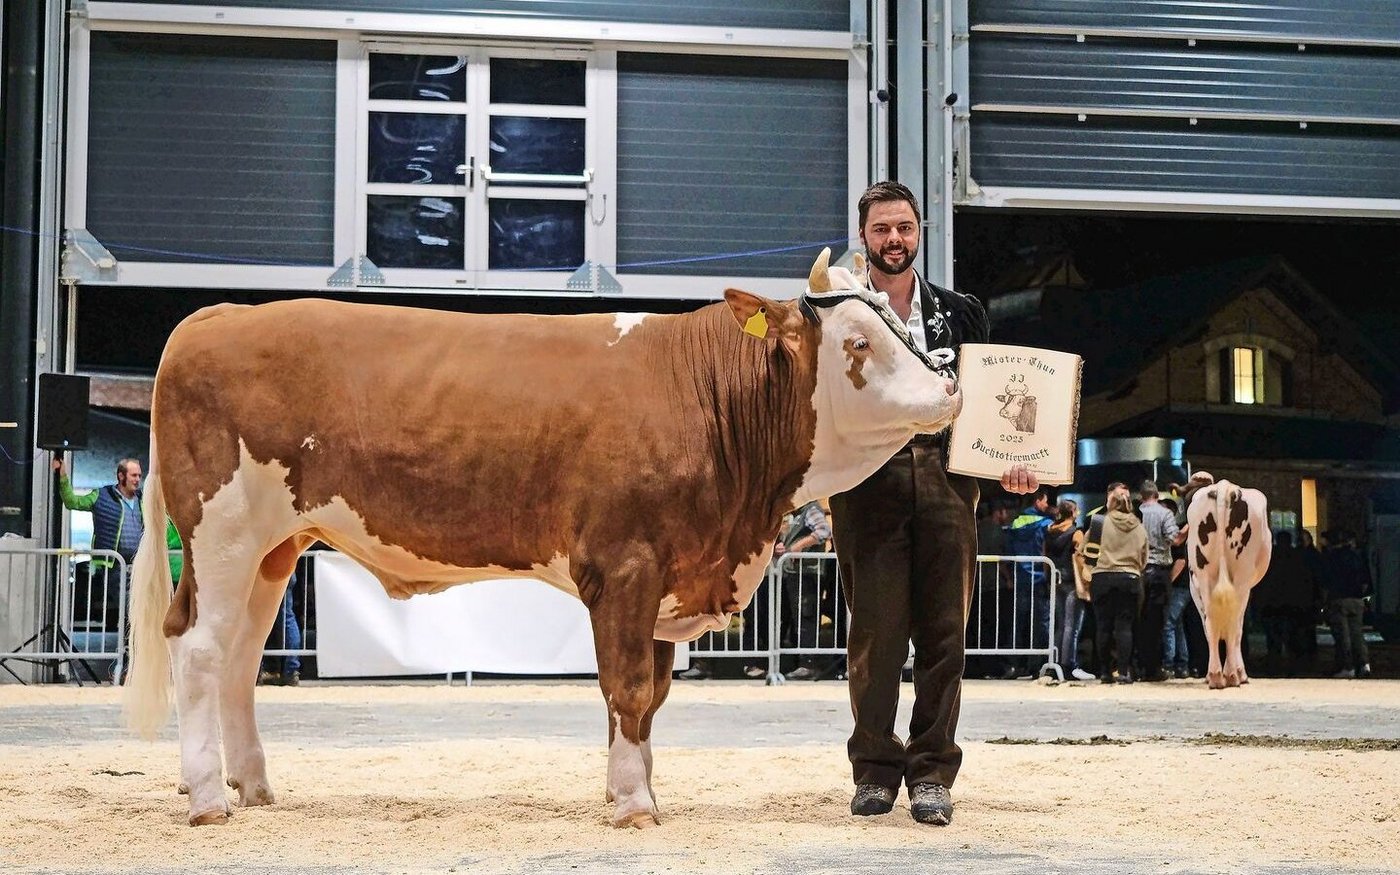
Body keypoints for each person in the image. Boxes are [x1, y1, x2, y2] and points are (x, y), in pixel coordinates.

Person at [829, 180, 1037, 827]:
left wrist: (1015, 459)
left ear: (921, 234)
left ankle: (931, 772)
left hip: (950, 482)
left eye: (905, 228)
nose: (895, 239)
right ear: (864, 236)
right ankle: (873, 769)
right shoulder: (843, 311)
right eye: (882, 228)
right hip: (868, 483)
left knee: (946, 637)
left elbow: (990, 400)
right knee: (876, 636)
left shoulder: (961, 310)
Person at [54, 456, 145, 629]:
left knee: (138, 609)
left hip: (140, 564)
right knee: (129, 609)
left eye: (139, 476)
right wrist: (63, 476)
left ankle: (130, 650)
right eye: (134, 475)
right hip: (115, 565)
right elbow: (72, 501)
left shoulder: (143, 500)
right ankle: (128, 650)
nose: (137, 480)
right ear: (121, 476)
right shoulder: (102, 495)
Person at [1085, 489, 1146, 684]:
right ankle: (1123, 671)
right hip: (1129, 578)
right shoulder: (1139, 526)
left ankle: (1104, 672)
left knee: (1103, 626)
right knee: (1125, 627)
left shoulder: (1098, 522)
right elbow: (1144, 557)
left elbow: (1087, 552)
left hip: (1102, 578)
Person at [1001, 489, 1055, 679]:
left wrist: (1009, 577)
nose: (1047, 505)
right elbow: (1045, 551)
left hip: (1020, 578)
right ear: (1037, 501)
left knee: (1017, 623)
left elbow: (1006, 552)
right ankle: (1038, 666)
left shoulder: (1015, 523)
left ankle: (1013, 665)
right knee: (1041, 623)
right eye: (1045, 501)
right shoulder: (1046, 524)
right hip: (1040, 578)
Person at [781, 499, 836, 681]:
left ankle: (808, 664)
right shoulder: (794, 515)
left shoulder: (810, 508)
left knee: (807, 617)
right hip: (796, 572)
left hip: (808, 572)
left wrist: (798, 546)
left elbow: (823, 531)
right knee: (798, 618)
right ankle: (802, 662)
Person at [1136, 480, 1179, 682]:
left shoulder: (1134, 514)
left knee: (1139, 620)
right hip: (1160, 571)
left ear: (1141, 495)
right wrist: (1188, 529)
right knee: (1158, 622)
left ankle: (1138, 665)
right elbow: (1175, 539)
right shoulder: (1165, 514)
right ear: (1157, 495)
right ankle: (1154, 668)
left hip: (1138, 570)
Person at [1045, 499, 1092, 680]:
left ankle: (1054, 663)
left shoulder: (1050, 532)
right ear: (1073, 513)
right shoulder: (1076, 533)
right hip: (1072, 582)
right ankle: (1068, 665)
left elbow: (1045, 555)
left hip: (1055, 581)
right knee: (1072, 626)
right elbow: (1080, 556)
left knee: (1060, 624)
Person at [1322, 529, 1372, 679]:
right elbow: (1366, 581)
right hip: (1357, 600)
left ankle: (1346, 666)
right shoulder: (1357, 556)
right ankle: (1364, 664)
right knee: (1357, 633)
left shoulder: (1330, 558)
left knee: (1342, 636)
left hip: (1338, 599)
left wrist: (1324, 601)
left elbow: (1325, 581)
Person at [1158, 498, 1193, 679]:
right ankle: (1182, 664)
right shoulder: (1178, 531)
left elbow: (1180, 561)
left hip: (1179, 587)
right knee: (1177, 625)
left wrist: (1168, 583)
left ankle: (1169, 664)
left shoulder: (1176, 533)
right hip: (1183, 586)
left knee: (1168, 624)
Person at [259, 572, 303, 686]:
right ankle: (290, 670)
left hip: (273, 571)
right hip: (286, 570)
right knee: (286, 617)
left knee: (262, 619)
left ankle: (287, 669)